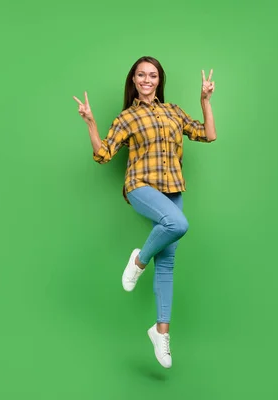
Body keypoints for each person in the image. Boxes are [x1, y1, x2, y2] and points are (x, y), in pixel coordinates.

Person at [73, 56, 216, 369]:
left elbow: (208, 133)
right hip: (140, 185)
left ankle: (161, 332)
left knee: (168, 262)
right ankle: (138, 260)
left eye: (153, 75)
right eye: (141, 75)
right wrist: (91, 123)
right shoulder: (127, 117)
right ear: (134, 80)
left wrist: (205, 100)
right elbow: (103, 154)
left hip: (172, 187)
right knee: (178, 223)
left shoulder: (173, 111)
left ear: (158, 81)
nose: (147, 80)